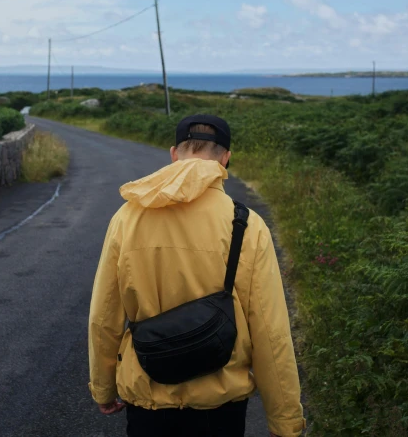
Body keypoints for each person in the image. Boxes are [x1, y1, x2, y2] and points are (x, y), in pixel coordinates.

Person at [88, 114, 305, 437]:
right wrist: (284, 420)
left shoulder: (126, 217)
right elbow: (270, 331)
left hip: (149, 400)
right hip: (220, 409)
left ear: (174, 154)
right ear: (226, 158)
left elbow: (103, 317)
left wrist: (103, 389)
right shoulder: (245, 224)